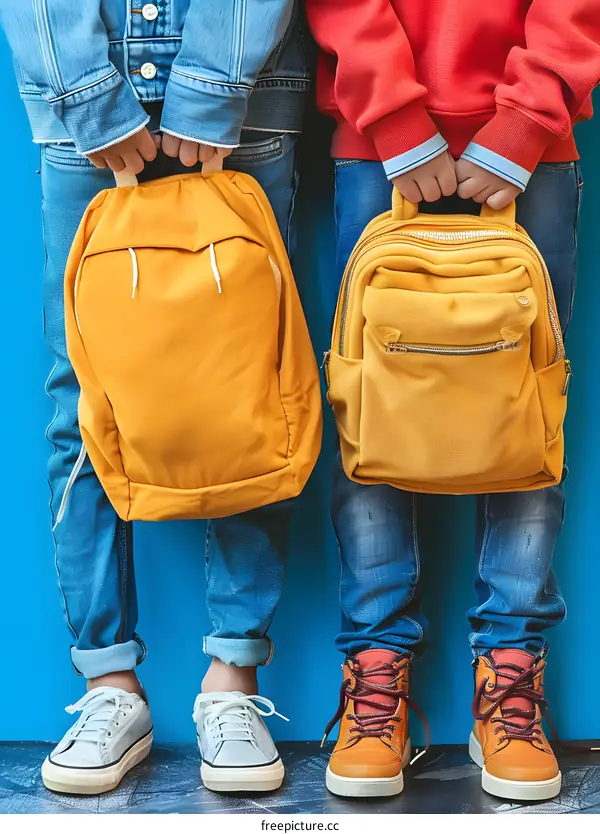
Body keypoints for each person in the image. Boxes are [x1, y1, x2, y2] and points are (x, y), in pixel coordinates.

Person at [0, 0, 309, 796]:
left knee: (245, 390)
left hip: (247, 97)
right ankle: (109, 688)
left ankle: (232, 681)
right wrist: (88, 98)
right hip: (83, 106)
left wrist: (209, 86)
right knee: (85, 400)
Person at [305, 0, 600, 801]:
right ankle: (377, 681)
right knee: (372, 408)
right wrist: (397, 120)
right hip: (379, 145)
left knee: (524, 413)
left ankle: (508, 684)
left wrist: (523, 125)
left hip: (530, 149)